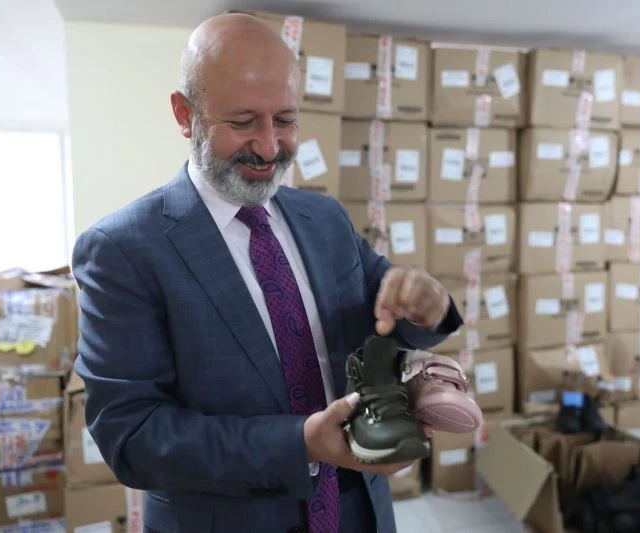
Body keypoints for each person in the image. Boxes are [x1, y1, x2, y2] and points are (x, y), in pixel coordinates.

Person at [71, 12, 463, 533]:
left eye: (285, 120)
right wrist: (299, 443)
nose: (269, 146)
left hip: (360, 514)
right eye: (242, 122)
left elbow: (389, 311)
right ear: (185, 115)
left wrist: (427, 305)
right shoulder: (121, 251)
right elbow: (132, 436)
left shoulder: (324, 219)